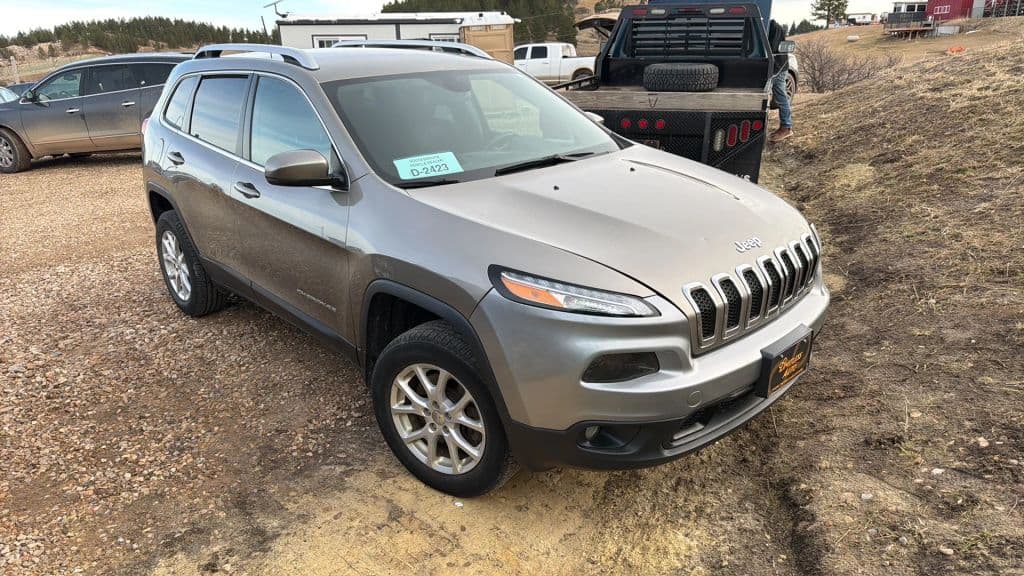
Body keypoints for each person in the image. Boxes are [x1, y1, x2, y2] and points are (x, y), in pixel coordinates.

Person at [767, 19, 793, 142]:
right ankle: (786, 127)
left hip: (777, 67)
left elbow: (770, 47)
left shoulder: (771, 27)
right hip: (780, 66)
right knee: (781, 97)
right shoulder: (776, 26)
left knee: (781, 98)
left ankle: (786, 128)